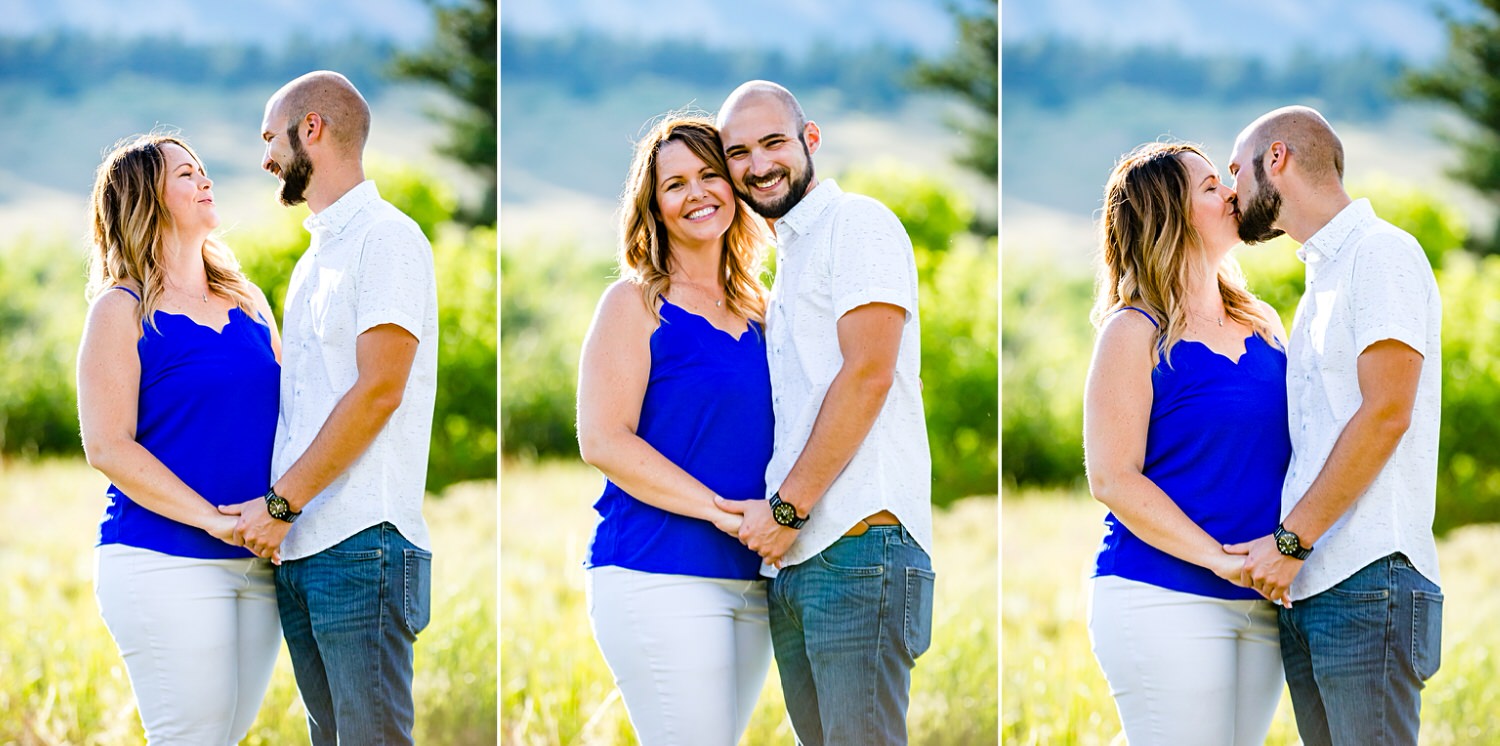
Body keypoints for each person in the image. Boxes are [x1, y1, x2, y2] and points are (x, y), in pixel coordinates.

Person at [218, 70, 440, 744]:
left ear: (311, 128)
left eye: (270, 139)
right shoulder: (314, 261)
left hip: (364, 545)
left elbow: (379, 390)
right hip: (305, 550)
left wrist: (282, 503)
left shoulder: (387, 239)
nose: (265, 160)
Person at [713, 80, 935, 746]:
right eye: (739, 152)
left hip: (857, 546)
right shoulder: (790, 258)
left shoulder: (856, 224)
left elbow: (868, 374)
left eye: (774, 142)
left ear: (811, 140)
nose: (759, 165)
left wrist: (786, 510)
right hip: (805, 557)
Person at [1225, 105, 1443, 746]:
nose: (1231, 192)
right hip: (1314, 586)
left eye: (1235, 169)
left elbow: (1386, 413)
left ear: (1277, 159)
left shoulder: (1381, 253)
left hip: (1367, 579)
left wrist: (1291, 541)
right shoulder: (1320, 279)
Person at [1082, 141, 1291, 745]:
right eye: (1208, 187)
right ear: (1167, 214)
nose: (1232, 191)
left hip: (1261, 598)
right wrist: (1220, 558)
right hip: (1161, 594)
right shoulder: (1132, 332)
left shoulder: (1263, 324)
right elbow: (1113, 478)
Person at [77, 133, 283, 744]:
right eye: (187, 175)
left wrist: (273, 515)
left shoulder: (247, 302)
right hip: (161, 558)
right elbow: (108, 447)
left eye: (204, 171)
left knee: (227, 733)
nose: (205, 182)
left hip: (258, 560)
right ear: (146, 200)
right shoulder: (121, 310)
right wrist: (210, 519)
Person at [575, 113, 774, 746]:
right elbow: (603, 440)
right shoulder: (633, 304)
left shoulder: (765, 310)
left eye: (710, 175)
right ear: (654, 206)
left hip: (753, 580)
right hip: (656, 572)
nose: (697, 195)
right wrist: (721, 512)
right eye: (676, 184)